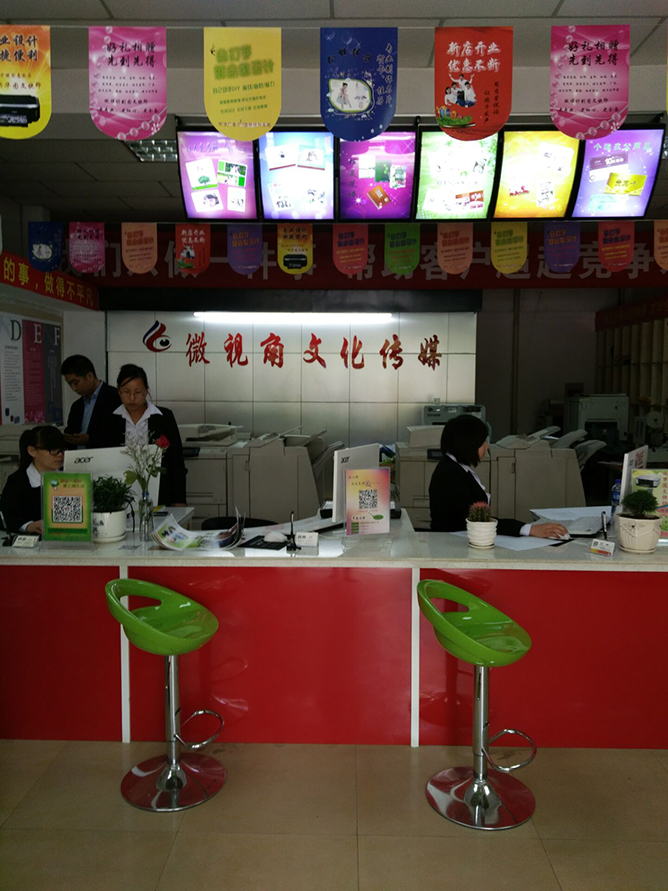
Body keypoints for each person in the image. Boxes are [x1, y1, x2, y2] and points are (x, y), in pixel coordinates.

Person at [429, 415, 568, 538]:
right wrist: (530, 529)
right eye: (481, 442)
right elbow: (478, 522)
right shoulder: (450, 475)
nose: (486, 446)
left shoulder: (456, 468)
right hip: (453, 544)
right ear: (468, 444)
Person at [91, 364, 187, 507]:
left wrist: (179, 500)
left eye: (137, 392)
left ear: (146, 391)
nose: (132, 398)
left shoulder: (163, 417)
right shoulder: (108, 420)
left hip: (160, 495)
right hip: (119, 498)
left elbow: (176, 461)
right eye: (126, 392)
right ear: (119, 390)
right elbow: (101, 460)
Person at [0, 425, 66, 535]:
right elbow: (6, 515)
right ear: (32, 451)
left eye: (61, 450)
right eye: (53, 450)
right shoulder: (18, 481)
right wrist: (28, 526)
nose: (60, 455)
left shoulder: (70, 477)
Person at [61, 355, 121, 448]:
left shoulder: (116, 398)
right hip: (77, 455)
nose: (74, 388)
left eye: (76, 383)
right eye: (70, 384)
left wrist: (90, 439)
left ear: (89, 376)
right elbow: (70, 432)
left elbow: (119, 434)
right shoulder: (77, 406)